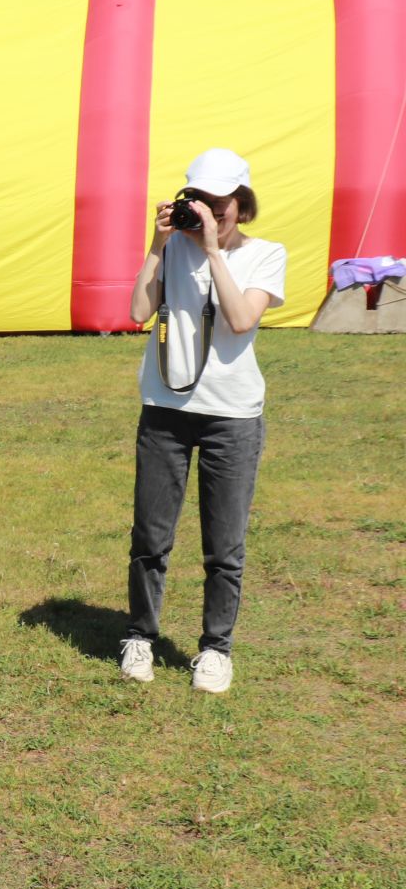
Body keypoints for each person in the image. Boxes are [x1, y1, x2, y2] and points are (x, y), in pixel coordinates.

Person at [122, 148, 285, 696]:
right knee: (150, 535)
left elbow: (240, 321)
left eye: (222, 203)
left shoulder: (266, 253)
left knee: (224, 545)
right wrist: (158, 245)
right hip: (166, 408)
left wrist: (215, 252)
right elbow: (139, 312)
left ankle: (215, 650)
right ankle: (140, 636)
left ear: (243, 203)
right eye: (201, 201)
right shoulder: (171, 250)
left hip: (232, 416)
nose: (212, 213)